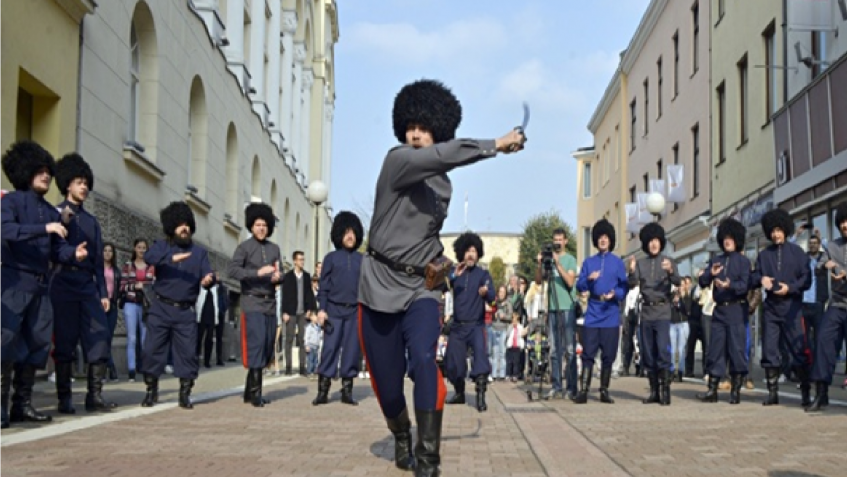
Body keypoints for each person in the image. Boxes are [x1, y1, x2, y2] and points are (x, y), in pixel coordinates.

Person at [357, 79, 525, 475]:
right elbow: (441, 157)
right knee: (387, 386)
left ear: (439, 130)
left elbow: (429, 220)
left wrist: (439, 263)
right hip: (379, 285)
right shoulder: (397, 160)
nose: (416, 134)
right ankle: (401, 433)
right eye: (411, 126)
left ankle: (429, 460)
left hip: (421, 291)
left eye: (425, 128)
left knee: (423, 360)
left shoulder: (443, 186)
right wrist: (496, 145)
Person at [1, 141, 83, 428]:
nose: (46, 176)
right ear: (26, 171)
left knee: (36, 345)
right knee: (5, 343)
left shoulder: (51, 211)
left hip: (41, 287)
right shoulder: (11, 202)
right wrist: (44, 228)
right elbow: (6, 230)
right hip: (13, 282)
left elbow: (56, 249)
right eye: (40, 171)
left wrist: (73, 252)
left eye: (49, 171)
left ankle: (21, 404)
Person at [51, 153, 117, 413]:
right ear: (67, 184)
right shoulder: (55, 213)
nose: (84, 187)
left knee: (99, 336)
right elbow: (51, 249)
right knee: (65, 342)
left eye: (86, 183)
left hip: (87, 285)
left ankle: (94, 396)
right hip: (62, 282)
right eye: (79, 182)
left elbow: (99, 261)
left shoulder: (92, 222)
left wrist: (103, 292)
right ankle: (65, 398)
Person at [140, 202, 215, 409]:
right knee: (152, 350)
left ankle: (185, 393)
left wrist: (209, 278)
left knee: (188, 354)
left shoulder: (199, 253)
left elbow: (208, 273)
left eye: (188, 225)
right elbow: (148, 257)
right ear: (171, 226)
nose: (185, 229)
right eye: (180, 225)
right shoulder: (162, 246)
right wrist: (170, 258)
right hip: (161, 308)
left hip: (185, 311)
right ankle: (151, 390)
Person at [751, 209, 812, 406]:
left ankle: (805, 392)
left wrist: (790, 288)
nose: (776, 234)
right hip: (770, 309)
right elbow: (753, 277)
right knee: (769, 350)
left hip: (792, 307)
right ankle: (772, 393)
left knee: (798, 349)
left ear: (785, 230)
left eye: (779, 230)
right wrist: (761, 279)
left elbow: (807, 279)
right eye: (773, 231)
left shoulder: (797, 253)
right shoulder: (764, 255)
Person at [228, 203, 281, 407]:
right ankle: (256, 393)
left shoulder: (274, 248)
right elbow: (233, 270)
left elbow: (280, 272)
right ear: (251, 226)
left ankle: (249, 392)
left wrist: (278, 277)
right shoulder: (244, 248)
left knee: (267, 346)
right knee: (256, 346)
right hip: (252, 301)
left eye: (265, 225)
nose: (261, 228)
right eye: (258, 224)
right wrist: (256, 273)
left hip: (270, 302)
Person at [312, 211, 365, 406]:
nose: (350, 236)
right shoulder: (331, 258)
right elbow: (323, 287)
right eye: (346, 232)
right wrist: (322, 310)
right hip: (333, 310)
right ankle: (322, 391)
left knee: (352, 351)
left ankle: (347, 392)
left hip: (354, 312)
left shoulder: (362, 260)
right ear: (339, 234)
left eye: (353, 232)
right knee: (330, 349)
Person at [697, 218, 751, 404]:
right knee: (715, 350)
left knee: (736, 350)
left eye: (731, 237)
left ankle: (735, 391)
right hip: (719, 312)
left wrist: (730, 285)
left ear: (737, 239)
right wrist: (710, 274)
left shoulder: (743, 262)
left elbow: (745, 286)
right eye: (725, 238)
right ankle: (712, 389)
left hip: (736, 309)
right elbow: (702, 282)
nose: (727, 241)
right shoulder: (716, 260)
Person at [574, 219, 627, 404]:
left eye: (606, 237)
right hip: (594, 311)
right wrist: (588, 279)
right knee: (588, 352)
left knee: (609, 354)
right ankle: (584, 390)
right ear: (596, 240)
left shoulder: (618, 262)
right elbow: (579, 286)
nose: (603, 240)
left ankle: (604, 390)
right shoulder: (589, 262)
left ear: (611, 240)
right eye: (600, 237)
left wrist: (616, 294)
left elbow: (623, 287)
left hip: (611, 312)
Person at [628, 222, 681, 406]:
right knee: (648, 353)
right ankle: (654, 391)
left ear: (661, 242)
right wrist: (632, 270)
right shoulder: (641, 263)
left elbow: (678, 280)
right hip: (646, 312)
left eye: (657, 241)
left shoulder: (667, 261)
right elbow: (632, 283)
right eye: (650, 241)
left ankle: (666, 391)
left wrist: (671, 271)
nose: (654, 244)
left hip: (663, 312)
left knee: (662, 351)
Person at [443, 232, 494, 411]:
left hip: (476, 325)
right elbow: (441, 286)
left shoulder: (483, 274)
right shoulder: (454, 273)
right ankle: (459, 393)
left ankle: (480, 397)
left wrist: (485, 293)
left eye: (474, 251)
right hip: (457, 326)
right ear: (461, 253)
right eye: (467, 251)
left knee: (480, 359)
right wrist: (453, 277)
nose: (471, 254)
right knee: (453, 363)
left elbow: (493, 297)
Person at [807, 202, 847, 412]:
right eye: (841, 222)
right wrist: (825, 265)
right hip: (837, 305)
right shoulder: (832, 246)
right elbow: (820, 264)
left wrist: (843, 271)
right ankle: (821, 393)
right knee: (823, 342)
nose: (845, 225)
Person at [533, 228, 578, 400]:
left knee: (569, 349)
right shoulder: (548, 260)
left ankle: (571, 387)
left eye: (560, 239)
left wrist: (558, 264)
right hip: (552, 309)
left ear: (565, 241)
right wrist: (540, 263)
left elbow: (570, 281)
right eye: (555, 239)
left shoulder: (569, 259)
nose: (558, 241)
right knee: (554, 350)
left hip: (566, 308)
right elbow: (538, 281)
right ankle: (556, 385)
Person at [119, 238, 154, 381]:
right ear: (134, 249)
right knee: (132, 338)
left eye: (144, 247)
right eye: (139, 247)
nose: (141, 250)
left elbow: (153, 286)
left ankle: (145, 368)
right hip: (130, 303)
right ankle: (131, 370)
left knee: (145, 339)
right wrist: (135, 286)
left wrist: (143, 286)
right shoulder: (128, 266)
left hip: (145, 305)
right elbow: (122, 286)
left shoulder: (151, 267)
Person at [280, 251, 317, 376]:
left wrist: (310, 309)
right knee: (289, 339)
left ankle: (302, 367)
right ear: (294, 261)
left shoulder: (306, 276)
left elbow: (309, 294)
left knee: (302, 340)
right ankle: (288, 367)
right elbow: (284, 295)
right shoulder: (288, 276)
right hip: (290, 312)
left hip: (302, 313)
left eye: (303, 259)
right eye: (300, 259)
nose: (302, 262)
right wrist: (284, 312)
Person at [195, 273, 228, 368]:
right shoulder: (201, 288)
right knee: (198, 339)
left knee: (209, 340)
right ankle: (196, 358)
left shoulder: (215, 290)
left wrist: (220, 312)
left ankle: (207, 361)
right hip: (201, 317)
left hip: (212, 317)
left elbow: (221, 301)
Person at [102, 243, 122, 382]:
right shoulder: (97, 269)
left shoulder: (116, 271)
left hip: (112, 305)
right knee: (101, 338)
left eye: (110, 251)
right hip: (100, 305)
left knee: (108, 338)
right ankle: (110, 367)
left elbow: (119, 288)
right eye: (105, 250)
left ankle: (108, 367)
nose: (108, 253)